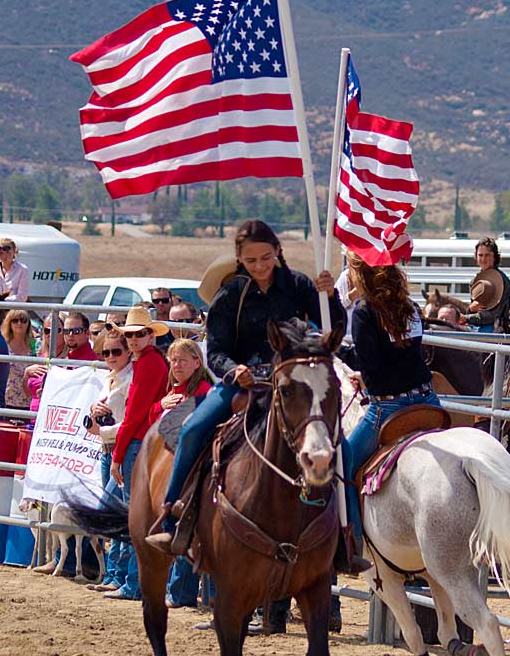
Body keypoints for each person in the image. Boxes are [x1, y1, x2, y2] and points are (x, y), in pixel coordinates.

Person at [148, 220, 346, 610]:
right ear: (239, 258)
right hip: (242, 383)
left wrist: (331, 299)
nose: (260, 265)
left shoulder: (301, 286)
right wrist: (230, 370)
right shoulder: (231, 294)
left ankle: (346, 533)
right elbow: (216, 349)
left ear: (278, 251)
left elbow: (332, 332)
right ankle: (173, 518)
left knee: (340, 446)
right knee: (193, 429)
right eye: (251, 259)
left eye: (266, 257)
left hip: (292, 384)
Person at [337, 254, 437, 573]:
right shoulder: (409, 307)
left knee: (343, 465)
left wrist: (336, 350)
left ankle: (350, 543)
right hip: (427, 400)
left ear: (360, 275)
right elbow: (405, 353)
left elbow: (371, 362)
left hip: (388, 407)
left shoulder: (365, 312)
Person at [103, 305, 171, 601]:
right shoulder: (150, 362)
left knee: (133, 515)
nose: (133, 339)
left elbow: (134, 414)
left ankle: (133, 582)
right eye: (130, 335)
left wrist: (117, 454)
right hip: (141, 440)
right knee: (126, 511)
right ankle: (127, 578)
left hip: (136, 442)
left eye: (139, 334)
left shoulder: (147, 364)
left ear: (150, 336)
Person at [159, 338, 214, 609]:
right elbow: (153, 423)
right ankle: (181, 591)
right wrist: (160, 406)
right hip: (172, 461)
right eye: (173, 360)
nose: (176, 365)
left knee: (188, 521)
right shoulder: (174, 390)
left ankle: (185, 592)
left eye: (182, 360)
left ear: (197, 363)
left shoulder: (204, 391)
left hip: (192, 467)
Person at [84, 325, 134, 595]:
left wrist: (101, 429)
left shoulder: (131, 378)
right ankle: (115, 574)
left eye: (116, 351)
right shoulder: (110, 377)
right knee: (113, 511)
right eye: (106, 352)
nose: (111, 356)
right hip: (107, 447)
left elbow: (131, 421)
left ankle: (120, 575)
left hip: (119, 446)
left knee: (113, 509)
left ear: (127, 352)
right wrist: (95, 409)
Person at [464, 237, 510, 333]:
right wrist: (469, 310)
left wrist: (466, 317)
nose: (483, 259)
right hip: (474, 323)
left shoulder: (504, 282)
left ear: (494, 257)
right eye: (480, 255)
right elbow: (473, 307)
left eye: (487, 255)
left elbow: (493, 315)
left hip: (495, 325)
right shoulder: (474, 281)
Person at [2, 309, 36, 411]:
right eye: (15, 320)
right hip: (7, 400)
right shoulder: (4, 344)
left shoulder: (34, 344)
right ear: (9, 323)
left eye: (23, 320)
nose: (19, 323)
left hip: (29, 401)